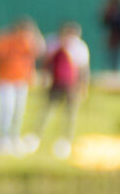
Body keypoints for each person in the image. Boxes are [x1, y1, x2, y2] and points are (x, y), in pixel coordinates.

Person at [33, 22, 91, 158]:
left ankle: (66, 139)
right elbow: (46, 62)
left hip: (72, 84)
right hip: (56, 82)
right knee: (48, 109)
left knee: (70, 113)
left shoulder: (79, 47)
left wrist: (83, 85)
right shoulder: (54, 44)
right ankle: (37, 135)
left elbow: (83, 68)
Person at [0, 18, 45, 153]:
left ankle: (13, 137)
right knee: (6, 110)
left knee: (18, 111)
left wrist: (35, 33)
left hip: (21, 81)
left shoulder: (28, 41)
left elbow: (41, 50)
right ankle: (1, 138)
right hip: (6, 80)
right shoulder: (5, 40)